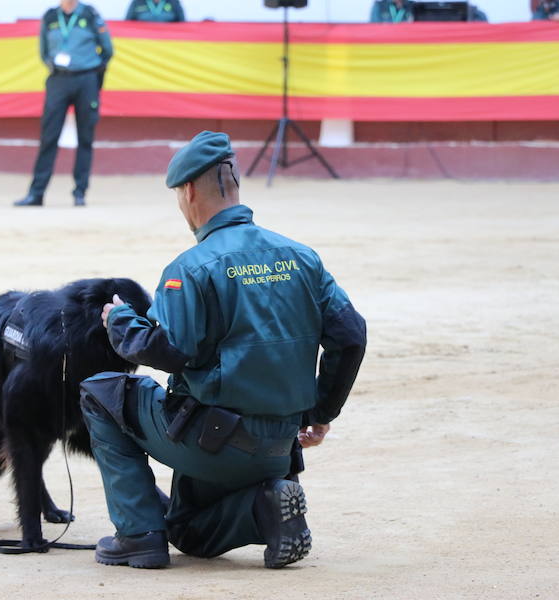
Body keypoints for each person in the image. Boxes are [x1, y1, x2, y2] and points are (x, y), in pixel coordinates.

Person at [78, 131, 367, 569]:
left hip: (213, 444)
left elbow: (168, 351)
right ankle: (265, 506)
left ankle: (138, 535)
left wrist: (119, 322)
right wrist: (319, 412)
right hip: (278, 451)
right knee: (189, 531)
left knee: (100, 393)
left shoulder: (192, 268)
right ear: (233, 185)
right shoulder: (302, 257)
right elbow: (351, 337)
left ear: (189, 190)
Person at [15, 0, 113, 208]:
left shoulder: (89, 14)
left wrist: (92, 71)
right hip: (58, 80)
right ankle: (36, 193)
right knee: (48, 137)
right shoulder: (50, 16)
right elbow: (43, 52)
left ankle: (80, 193)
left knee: (85, 137)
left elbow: (107, 49)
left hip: (86, 79)